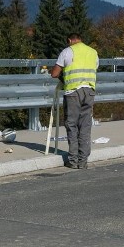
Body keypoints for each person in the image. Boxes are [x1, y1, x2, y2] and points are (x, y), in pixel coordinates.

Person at [50, 33, 99, 169]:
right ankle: (83, 161)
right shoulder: (93, 52)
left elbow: (54, 73)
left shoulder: (67, 51)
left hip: (73, 92)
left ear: (69, 40)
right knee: (85, 125)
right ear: (81, 39)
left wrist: (60, 75)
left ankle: (72, 160)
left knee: (72, 124)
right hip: (89, 91)